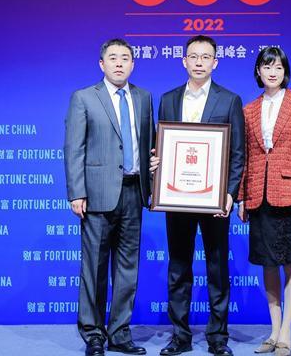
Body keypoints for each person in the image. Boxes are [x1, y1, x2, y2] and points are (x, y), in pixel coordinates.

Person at [152, 35, 245, 356]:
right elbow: (161, 146)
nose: (199, 62)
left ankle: (218, 337)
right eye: (193, 56)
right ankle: (180, 336)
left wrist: (230, 193)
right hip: (177, 198)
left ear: (215, 62)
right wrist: (157, 165)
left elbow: (237, 153)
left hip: (214, 200)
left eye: (206, 57)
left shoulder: (229, 100)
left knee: (217, 268)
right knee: (178, 267)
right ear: (184, 61)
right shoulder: (168, 99)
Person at [65, 38, 154, 356]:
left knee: (128, 267)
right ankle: (93, 334)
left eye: (125, 58)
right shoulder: (84, 98)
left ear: (133, 64)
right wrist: (77, 192)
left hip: (134, 191)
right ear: (101, 64)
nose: (119, 63)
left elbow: (149, 145)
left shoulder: (143, 97)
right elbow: (74, 148)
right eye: (113, 58)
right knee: (95, 267)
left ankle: (119, 333)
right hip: (97, 194)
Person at [237, 47, 291, 356]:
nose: (272, 72)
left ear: (285, 72)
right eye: (267, 66)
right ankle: (273, 330)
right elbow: (245, 157)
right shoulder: (248, 110)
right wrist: (242, 196)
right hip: (259, 194)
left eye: (278, 67)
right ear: (258, 71)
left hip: (289, 194)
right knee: (268, 263)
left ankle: (287, 332)